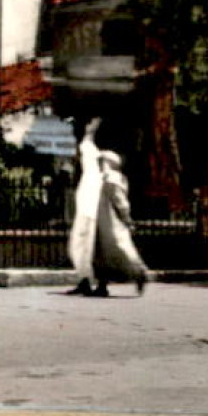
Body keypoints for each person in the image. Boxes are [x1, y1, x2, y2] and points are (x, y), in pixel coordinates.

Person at [91, 148, 150, 297]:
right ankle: (101, 285)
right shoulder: (101, 177)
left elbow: (120, 201)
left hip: (112, 221)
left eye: (101, 161)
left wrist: (126, 217)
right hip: (100, 220)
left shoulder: (112, 178)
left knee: (120, 249)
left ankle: (139, 272)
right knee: (100, 254)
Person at [66, 117, 102, 296]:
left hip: (92, 197)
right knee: (81, 241)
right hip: (87, 196)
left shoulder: (91, 146)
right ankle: (84, 279)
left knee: (91, 241)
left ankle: (98, 283)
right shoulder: (86, 145)